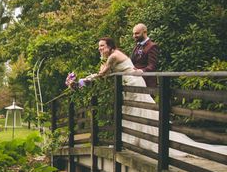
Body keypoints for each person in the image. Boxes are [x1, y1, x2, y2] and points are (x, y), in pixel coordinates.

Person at [83, 37, 227, 157]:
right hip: (128, 84)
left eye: (102, 46)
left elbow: (102, 74)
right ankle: (131, 140)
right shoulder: (111, 56)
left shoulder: (114, 56)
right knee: (131, 111)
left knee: (138, 110)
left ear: (110, 46)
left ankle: (137, 140)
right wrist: (85, 79)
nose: (99, 48)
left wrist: (82, 81)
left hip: (133, 84)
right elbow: (103, 72)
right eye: (99, 47)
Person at [131, 23, 159, 88]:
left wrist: (141, 71)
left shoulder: (152, 46)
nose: (134, 36)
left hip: (147, 83)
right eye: (133, 33)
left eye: (137, 33)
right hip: (136, 82)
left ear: (145, 32)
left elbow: (152, 65)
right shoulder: (137, 46)